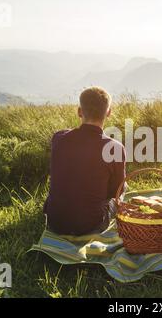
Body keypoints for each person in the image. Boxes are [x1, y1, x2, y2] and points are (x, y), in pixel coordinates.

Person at [43, 87, 125, 235]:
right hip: (91, 225)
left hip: (54, 222)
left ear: (80, 111)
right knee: (123, 187)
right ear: (109, 112)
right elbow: (116, 191)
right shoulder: (115, 148)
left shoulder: (58, 138)